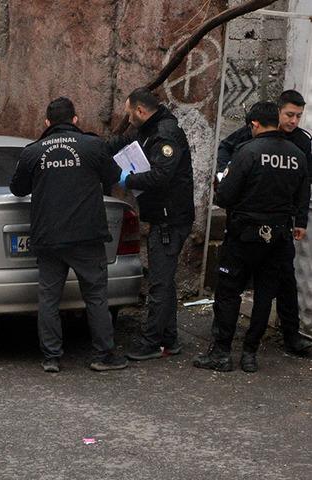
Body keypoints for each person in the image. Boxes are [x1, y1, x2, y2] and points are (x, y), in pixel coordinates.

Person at [10, 97, 127, 373]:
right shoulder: (92, 146)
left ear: (47, 123)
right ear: (75, 119)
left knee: (49, 298)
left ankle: (51, 357)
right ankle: (103, 355)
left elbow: (17, 189)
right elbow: (113, 176)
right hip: (87, 236)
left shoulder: (33, 152)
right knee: (96, 296)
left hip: (49, 237)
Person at [194, 101, 309, 372]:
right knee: (265, 295)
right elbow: (302, 196)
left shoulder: (247, 152)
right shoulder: (298, 155)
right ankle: (250, 353)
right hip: (278, 236)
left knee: (229, 291)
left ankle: (221, 352)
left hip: (244, 236)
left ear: (254, 124)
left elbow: (225, 196)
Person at [109, 88, 195, 361]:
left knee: (159, 282)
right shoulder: (148, 130)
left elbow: (161, 176)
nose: (128, 118)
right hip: (162, 216)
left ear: (140, 111)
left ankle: (152, 341)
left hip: (170, 219)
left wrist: (128, 181)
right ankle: (169, 340)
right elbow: (122, 143)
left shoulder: (165, 135)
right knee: (164, 281)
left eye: (129, 113)